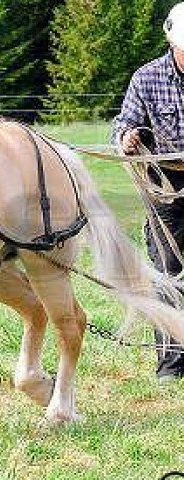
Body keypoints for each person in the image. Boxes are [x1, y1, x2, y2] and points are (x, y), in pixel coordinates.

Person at [112, 2, 184, 383]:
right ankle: (172, 366)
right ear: (172, 43)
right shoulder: (147, 78)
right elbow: (125, 122)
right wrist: (126, 138)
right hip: (164, 190)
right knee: (165, 274)